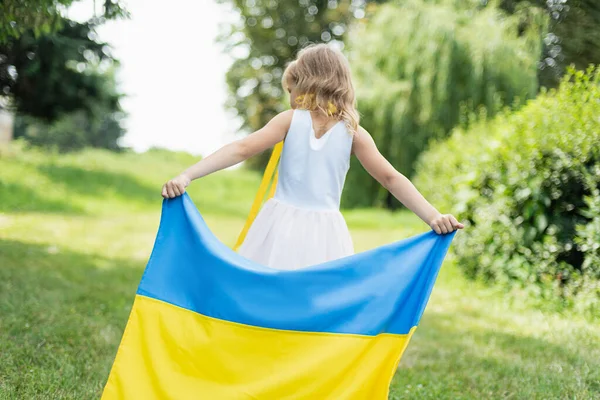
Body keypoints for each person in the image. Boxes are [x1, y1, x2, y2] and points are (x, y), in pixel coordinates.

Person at [161, 43, 463, 270]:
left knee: (267, 296)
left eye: (291, 89)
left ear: (307, 82)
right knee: (312, 308)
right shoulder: (353, 131)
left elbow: (241, 148)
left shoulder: (292, 120)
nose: (290, 98)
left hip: (280, 225)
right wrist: (433, 215)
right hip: (325, 233)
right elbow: (391, 178)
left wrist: (188, 174)